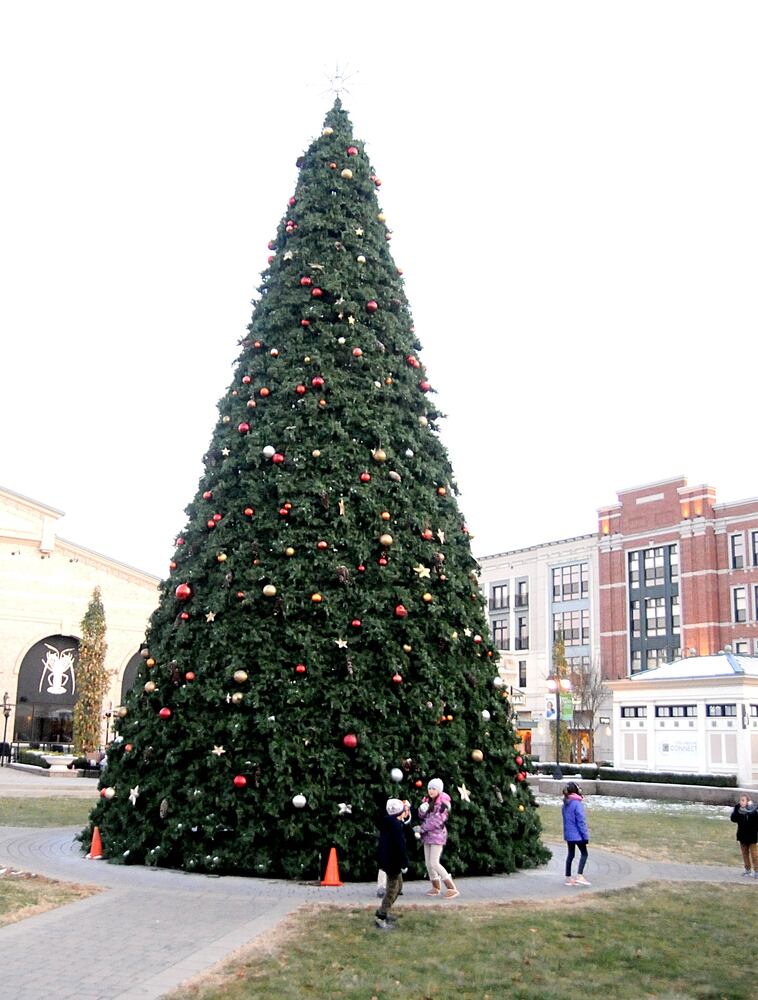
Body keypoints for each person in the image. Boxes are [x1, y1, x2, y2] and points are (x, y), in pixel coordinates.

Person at [418, 777, 459, 899]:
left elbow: (437, 820)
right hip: (427, 836)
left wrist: (422, 828)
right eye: (429, 788)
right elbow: (422, 816)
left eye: (433, 788)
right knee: (428, 864)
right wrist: (421, 810)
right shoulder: (427, 801)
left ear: (439, 790)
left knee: (434, 862)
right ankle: (436, 886)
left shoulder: (443, 804)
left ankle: (451, 888)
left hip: (437, 836)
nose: (431, 791)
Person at [375, 798, 410, 930]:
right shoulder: (395, 826)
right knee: (392, 890)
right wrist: (404, 862)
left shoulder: (390, 822)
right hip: (393, 862)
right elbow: (400, 846)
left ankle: (384, 911)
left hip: (389, 860)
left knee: (398, 886)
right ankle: (381, 916)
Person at [376, 799, 411, 896]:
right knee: (384, 867)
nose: (406, 812)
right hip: (388, 851)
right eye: (405, 810)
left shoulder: (403, 823)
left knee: (397, 867)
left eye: (408, 810)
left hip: (395, 853)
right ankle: (382, 887)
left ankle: (398, 888)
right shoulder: (392, 822)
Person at [562, 781, 590, 886]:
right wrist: (585, 835)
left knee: (571, 855)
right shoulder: (577, 804)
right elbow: (581, 821)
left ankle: (568, 877)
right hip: (578, 835)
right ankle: (580, 875)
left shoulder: (565, 803)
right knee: (584, 853)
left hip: (569, 835)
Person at [730, 794, 758, 878]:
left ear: (747, 801)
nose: (741, 802)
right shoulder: (739, 811)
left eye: (743, 800)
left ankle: (756, 871)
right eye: (740, 800)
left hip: (752, 837)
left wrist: (752, 809)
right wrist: (736, 808)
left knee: (754, 855)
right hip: (742, 836)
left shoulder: (753, 811)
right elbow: (733, 819)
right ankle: (747, 870)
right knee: (745, 854)